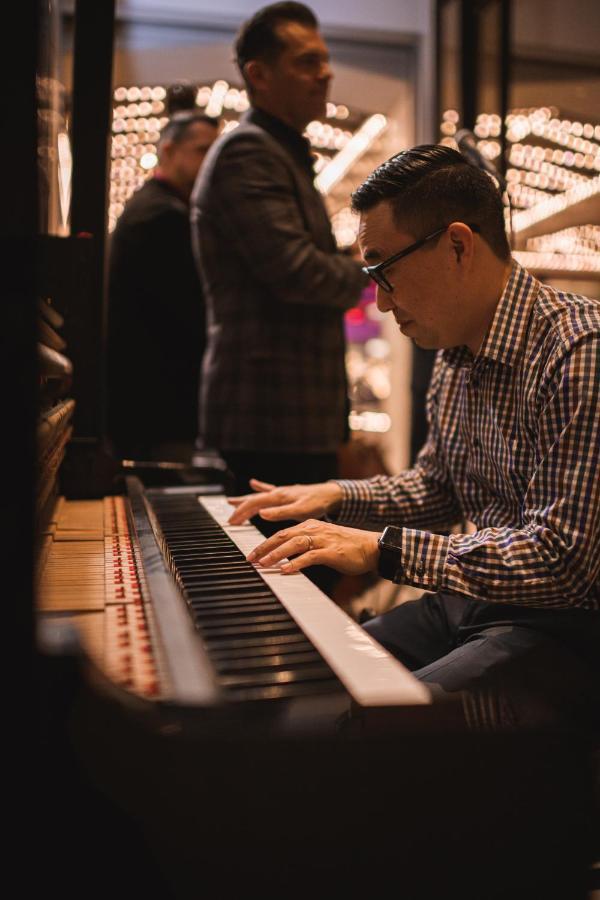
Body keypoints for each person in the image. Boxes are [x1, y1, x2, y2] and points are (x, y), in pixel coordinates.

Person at [227, 144, 600, 732]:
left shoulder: (577, 352)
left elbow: (565, 561)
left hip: (571, 625)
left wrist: (383, 550)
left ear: (457, 245)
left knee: (370, 725)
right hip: (485, 603)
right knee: (318, 674)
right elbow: (439, 488)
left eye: (383, 270)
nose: (378, 300)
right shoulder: (454, 351)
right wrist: (334, 496)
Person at [190, 2, 366, 498]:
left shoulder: (278, 151)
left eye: (325, 60)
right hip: (266, 419)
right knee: (281, 570)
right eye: (307, 62)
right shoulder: (249, 151)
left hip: (288, 417)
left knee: (304, 567)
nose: (325, 73)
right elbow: (300, 273)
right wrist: (365, 268)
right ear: (259, 75)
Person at [107, 111, 219, 462]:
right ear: (168, 151)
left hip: (148, 405)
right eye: (203, 150)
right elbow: (190, 317)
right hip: (156, 408)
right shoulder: (161, 216)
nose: (212, 163)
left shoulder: (158, 207)